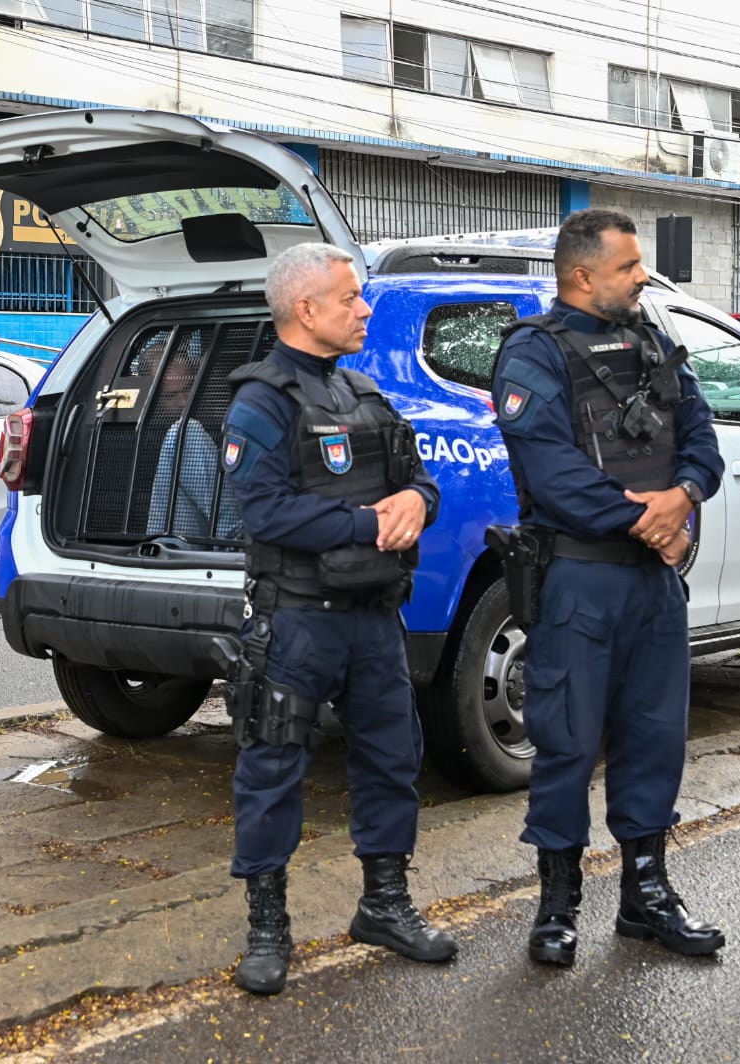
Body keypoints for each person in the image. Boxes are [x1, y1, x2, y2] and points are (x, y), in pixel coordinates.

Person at [491, 208, 726, 968]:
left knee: (655, 739)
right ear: (583, 275)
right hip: (579, 580)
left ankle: (647, 896)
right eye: (629, 267)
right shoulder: (533, 354)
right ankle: (557, 903)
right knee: (564, 742)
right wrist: (652, 520)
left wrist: (683, 495)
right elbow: (553, 474)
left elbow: (703, 442)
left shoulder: (656, 340)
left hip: (654, 586)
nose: (642, 277)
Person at [219, 242, 456, 995]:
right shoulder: (259, 402)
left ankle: (384, 906)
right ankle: (267, 928)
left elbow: (418, 478)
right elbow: (264, 511)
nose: (364, 309)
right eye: (350, 298)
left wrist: (419, 501)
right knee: (272, 766)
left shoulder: (365, 393)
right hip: (297, 623)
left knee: (391, 760)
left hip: (374, 618)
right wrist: (369, 525)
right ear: (306, 310)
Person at [147, 343, 240, 540]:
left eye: (188, 389)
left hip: (201, 544)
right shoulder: (137, 437)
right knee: (184, 432)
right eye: (171, 396)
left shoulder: (219, 421)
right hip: (174, 548)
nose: (183, 401)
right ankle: (234, 538)